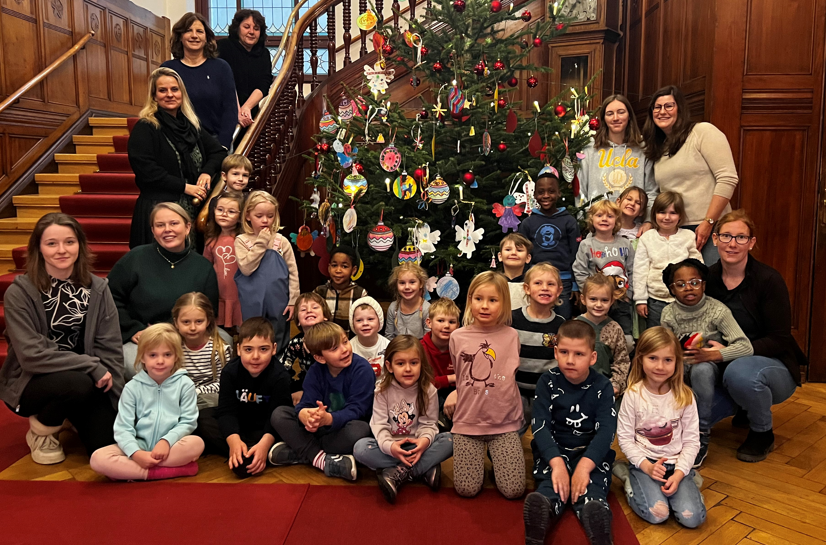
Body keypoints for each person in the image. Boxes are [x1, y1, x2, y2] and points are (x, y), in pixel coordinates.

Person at [0, 213, 123, 464]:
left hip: (88, 379)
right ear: (38, 248)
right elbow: (31, 357)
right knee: (76, 384)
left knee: (107, 446)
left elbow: (110, 347)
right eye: (51, 243)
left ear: (80, 245)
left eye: (69, 242)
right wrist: (91, 366)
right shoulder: (20, 292)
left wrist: (118, 400)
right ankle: (42, 429)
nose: (61, 250)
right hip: (34, 380)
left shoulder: (98, 289)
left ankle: (70, 414)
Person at [705, 209, 804, 462]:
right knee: (694, 416)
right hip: (721, 362)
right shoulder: (707, 279)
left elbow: (779, 339)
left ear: (752, 242)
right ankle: (743, 405)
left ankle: (762, 432)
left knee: (741, 374)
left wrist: (727, 353)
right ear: (715, 239)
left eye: (740, 237)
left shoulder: (769, 280)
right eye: (726, 236)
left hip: (771, 365)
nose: (732, 243)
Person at [523, 320, 616, 545]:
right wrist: (557, 464)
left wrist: (584, 467)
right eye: (564, 352)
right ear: (556, 352)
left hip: (590, 455)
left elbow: (607, 431)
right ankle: (542, 513)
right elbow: (540, 426)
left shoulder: (603, 387)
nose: (570, 360)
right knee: (550, 485)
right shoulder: (547, 382)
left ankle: (596, 517)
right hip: (554, 453)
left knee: (592, 489)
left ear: (592, 357)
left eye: (579, 354)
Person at [109, 203, 220, 380]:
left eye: (174, 223)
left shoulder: (203, 266)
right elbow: (110, 298)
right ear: (153, 231)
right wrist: (132, 330)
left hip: (188, 335)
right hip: (143, 336)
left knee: (225, 344)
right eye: (160, 225)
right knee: (136, 367)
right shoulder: (135, 259)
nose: (167, 230)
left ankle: (199, 401)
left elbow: (210, 310)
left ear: (187, 227)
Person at [660, 259, 753, 467]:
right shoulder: (668, 313)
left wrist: (711, 356)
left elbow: (745, 346)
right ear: (672, 289)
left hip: (710, 370)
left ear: (703, 284)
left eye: (694, 282)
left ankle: (701, 434)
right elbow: (664, 348)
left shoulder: (717, 310)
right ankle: (665, 429)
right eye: (681, 284)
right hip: (679, 367)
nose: (689, 288)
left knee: (701, 370)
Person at [614, 327, 706, 529]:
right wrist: (646, 466)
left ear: (676, 362)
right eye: (653, 358)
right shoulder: (633, 394)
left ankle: (688, 481)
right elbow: (625, 439)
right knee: (658, 514)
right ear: (641, 359)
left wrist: (680, 472)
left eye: (668, 360)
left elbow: (692, 441)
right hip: (644, 464)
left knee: (692, 518)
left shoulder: (685, 396)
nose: (660, 366)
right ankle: (629, 480)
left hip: (677, 465)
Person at [89, 324, 204, 481]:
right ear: (142, 357)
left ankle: (131, 472)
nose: (160, 361)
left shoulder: (185, 384)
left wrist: (165, 441)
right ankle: (165, 471)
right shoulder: (131, 388)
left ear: (176, 356)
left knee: (197, 443)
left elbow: (188, 421)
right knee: (98, 458)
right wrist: (135, 453)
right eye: (153, 355)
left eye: (167, 354)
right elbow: (123, 428)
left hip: (172, 446)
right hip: (140, 445)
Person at [127, 67, 226, 249]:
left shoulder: (191, 125)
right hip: (158, 209)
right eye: (162, 90)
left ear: (182, 93)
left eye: (174, 89)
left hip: (191, 208)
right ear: (154, 96)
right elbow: (147, 171)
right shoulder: (146, 127)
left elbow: (218, 152)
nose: (169, 95)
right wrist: (185, 187)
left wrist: (206, 172)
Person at [448, 271, 525, 500]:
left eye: (493, 300)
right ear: (470, 299)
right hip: (468, 423)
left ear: (504, 303)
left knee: (514, 490)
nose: (485, 306)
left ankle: (497, 463)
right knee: (466, 490)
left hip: (504, 423)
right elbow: (461, 375)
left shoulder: (512, 336)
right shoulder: (457, 337)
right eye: (478, 298)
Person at [643, 85, 739, 264]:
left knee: (713, 283)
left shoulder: (702, 132)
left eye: (669, 106)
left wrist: (708, 223)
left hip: (712, 227)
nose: (662, 111)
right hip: (676, 231)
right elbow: (658, 192)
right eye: (657, 107)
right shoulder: (659, 148)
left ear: (680, 108)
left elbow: (728, 178)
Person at [269, 322, 374, 482]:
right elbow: (305, 404)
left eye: (345, 342)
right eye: (334, 348)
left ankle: (302, 452)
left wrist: (329, 419)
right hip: (319, 429)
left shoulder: (362, 369)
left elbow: (358, 410)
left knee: (360, 429)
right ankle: (322, 459)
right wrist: (305, 415)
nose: (345, 349)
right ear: (320, 357)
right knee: (279, 414)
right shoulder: (315, 371)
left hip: (342, 429)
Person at [353, 335, 453, 504]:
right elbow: (379, 425)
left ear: (421, 364)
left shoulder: (428, 390)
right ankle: (424, 468)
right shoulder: (381, 391)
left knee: (451, 440)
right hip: (391, 446)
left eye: (414, 363)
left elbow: (429, 423)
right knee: (360, 449)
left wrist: (424, 442)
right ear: (389, 366)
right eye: (401, 363)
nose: (408, 369)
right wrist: (391, 447)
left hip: (418, 446)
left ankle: (397, 473)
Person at [198, 317, 292, 477]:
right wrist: (233, 440)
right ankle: (245, 451)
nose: (255, 356)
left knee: (286, 423)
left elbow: (276, 417)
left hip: (265, 429)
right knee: (203, 418)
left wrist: (263, 445)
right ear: (239, 349)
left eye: (263, 349)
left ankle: (257, 451)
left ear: (274, 349)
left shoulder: (280, 376)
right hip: (239, 426)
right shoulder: (230, 372)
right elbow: (226, 411)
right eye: (248, 349)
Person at [235, 191, 299, 359]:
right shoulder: (241, 240)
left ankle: (280, 367)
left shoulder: (281, 241)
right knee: (253, 333)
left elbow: (293, 272)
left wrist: (293, 301)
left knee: (278, 333)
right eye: (259, 216)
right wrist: (262, 242)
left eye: (270, 216)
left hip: (279, 300)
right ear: (248, 216)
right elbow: (246, 268)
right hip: (252, 300)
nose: (265, 220)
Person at [162, 12, 237, 149]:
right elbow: (160, 108)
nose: (194, 35)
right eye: (188, 31)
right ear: (180, 37)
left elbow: (230, 109)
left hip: (216, 142)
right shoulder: (168, 69)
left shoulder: (221, 67)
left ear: (207, 37)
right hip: (178, 142)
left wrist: (223, 145)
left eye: (199, 31)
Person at [578, 94, 657, 218]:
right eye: (609, 113)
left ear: (629, 116)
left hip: (633, 226)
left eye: (621, 112)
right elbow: (580, 190)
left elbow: (652, 191)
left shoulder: (643, 148)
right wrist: (583, 221)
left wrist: (648, 221)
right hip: (598, 225)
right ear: (604, 118)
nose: (615, 118)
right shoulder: (590, 149)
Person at [518, 166, 580, 319]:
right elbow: (522, 255)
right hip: (535, 281)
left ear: (559, 193)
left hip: (562, 282)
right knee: (536, 318)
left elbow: (576, 254)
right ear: (535, 194)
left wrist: (575, 283)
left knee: (562, 321)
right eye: (541, 192)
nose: (546, 196)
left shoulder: (569, 222)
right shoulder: (527, 223)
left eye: (551, 191)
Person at [633, 192, 702, 328]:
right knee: (657, 339)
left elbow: (698, 267)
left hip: (683, 300)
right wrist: (640, 299)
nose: (667, 217)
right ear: (654, 214)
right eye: (662, 212)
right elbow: (639, 270)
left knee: (683, 337)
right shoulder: (647, 238)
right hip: (655, 300)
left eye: (673, 213)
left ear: (680, 215)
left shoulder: (688, 236)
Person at [511, 263, 565, 434]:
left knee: (545, 432)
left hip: (545, 392)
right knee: (512, 432)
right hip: (515, 390)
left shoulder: (561, 325)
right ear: (527, 289)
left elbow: (561, 359)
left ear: (559, 290)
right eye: (538, 283)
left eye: (550, 284)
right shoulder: (512, 319)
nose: (545, 288)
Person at [573, 199, 635, 337]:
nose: (604, 219)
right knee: (593, 336)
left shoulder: (625, 244)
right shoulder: (586, 245)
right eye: (599, 215)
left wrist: (629, 294)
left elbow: (632, 270)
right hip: (595, 300)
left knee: (625, 338)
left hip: (621, 300)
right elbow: (580, 271)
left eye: (610, 216)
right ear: (592, 219)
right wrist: (588, 294)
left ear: (617, 221)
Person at [217, 9, 273, 142]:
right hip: (224, 112)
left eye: (256, 28)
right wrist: (236, 111)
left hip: (250, 114)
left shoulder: (264, 53)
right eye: (246, 27)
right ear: (237, 28)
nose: (251, 32)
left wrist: (246, 108)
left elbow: (264, 83)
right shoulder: (223, 47)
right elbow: (223, 82)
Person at [173, 292, 232, 410]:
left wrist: (195, 392)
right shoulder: (173, 347)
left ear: (208, 321)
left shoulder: (219, 349)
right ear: (176, 322)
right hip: (178, 397)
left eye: (199, 321)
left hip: (207, 399)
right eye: (186, 322)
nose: (193, 327)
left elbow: (223, 384)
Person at [576, 274, 631, 397]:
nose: (599, 304)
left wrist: (615, 385)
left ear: (612, 301)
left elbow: (622, 361)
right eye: (593, 299)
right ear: (583, 299)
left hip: (605, 389)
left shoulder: (615, 328)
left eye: (604, 300)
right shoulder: (575, 327)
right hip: (576, 388)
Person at [203, 190, 245, 328]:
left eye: (231, 211)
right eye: (220, 210)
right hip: (220, 293)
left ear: (240, 217)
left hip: (240, 294)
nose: (224, 214)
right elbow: (206, 266)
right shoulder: (211, 240)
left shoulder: (244, 240)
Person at [282, 292, 332, 405]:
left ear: (325, 316)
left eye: (315, 307)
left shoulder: (333, 339)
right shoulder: (296, 343)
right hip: (307, 384)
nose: (309, 311)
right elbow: (283, 369)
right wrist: (295, 389)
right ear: (298, 321)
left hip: (333, 385)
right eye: (303, 309)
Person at [421, 298, 460, 425]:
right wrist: (451, 378)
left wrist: (457, 390)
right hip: (428, 393)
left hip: (456, 392)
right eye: (441, 320)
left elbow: (468, 378)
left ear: (458, 326)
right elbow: (423, 383)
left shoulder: (461, 348)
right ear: (429, 322)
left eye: (452, 322)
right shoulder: (420, 349)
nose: (446, 326)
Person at [313, 245, 367, 337]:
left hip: (350, 344)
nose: (338, 270)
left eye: (344, 266)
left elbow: (364, 321)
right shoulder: (319, 292)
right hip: (323, 342)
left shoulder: (360, 294)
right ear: (329, 268)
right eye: (334, 265)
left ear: (353, 270)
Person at [384, 262, 431, 340]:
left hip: (419, 350)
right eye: (402, 283)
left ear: (421, 284)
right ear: (396, 285)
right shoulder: (393, 308)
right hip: (397, 349)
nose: (407, 287)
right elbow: (389, 336)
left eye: (412, 282)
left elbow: (428, 340)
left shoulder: (427, 309)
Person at [349, 296, 390, 377]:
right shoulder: (349, 348)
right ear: (352, 324)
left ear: (379, 321)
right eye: (359, 320)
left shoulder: (388, 346)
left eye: (370, 319)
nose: (365, 323)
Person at [498, 232, 533, 310]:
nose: (513, 253)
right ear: (500, 256)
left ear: (528, 258)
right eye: (508, 249)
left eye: (519, 250)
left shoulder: (532, 285)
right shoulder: (493, 283)